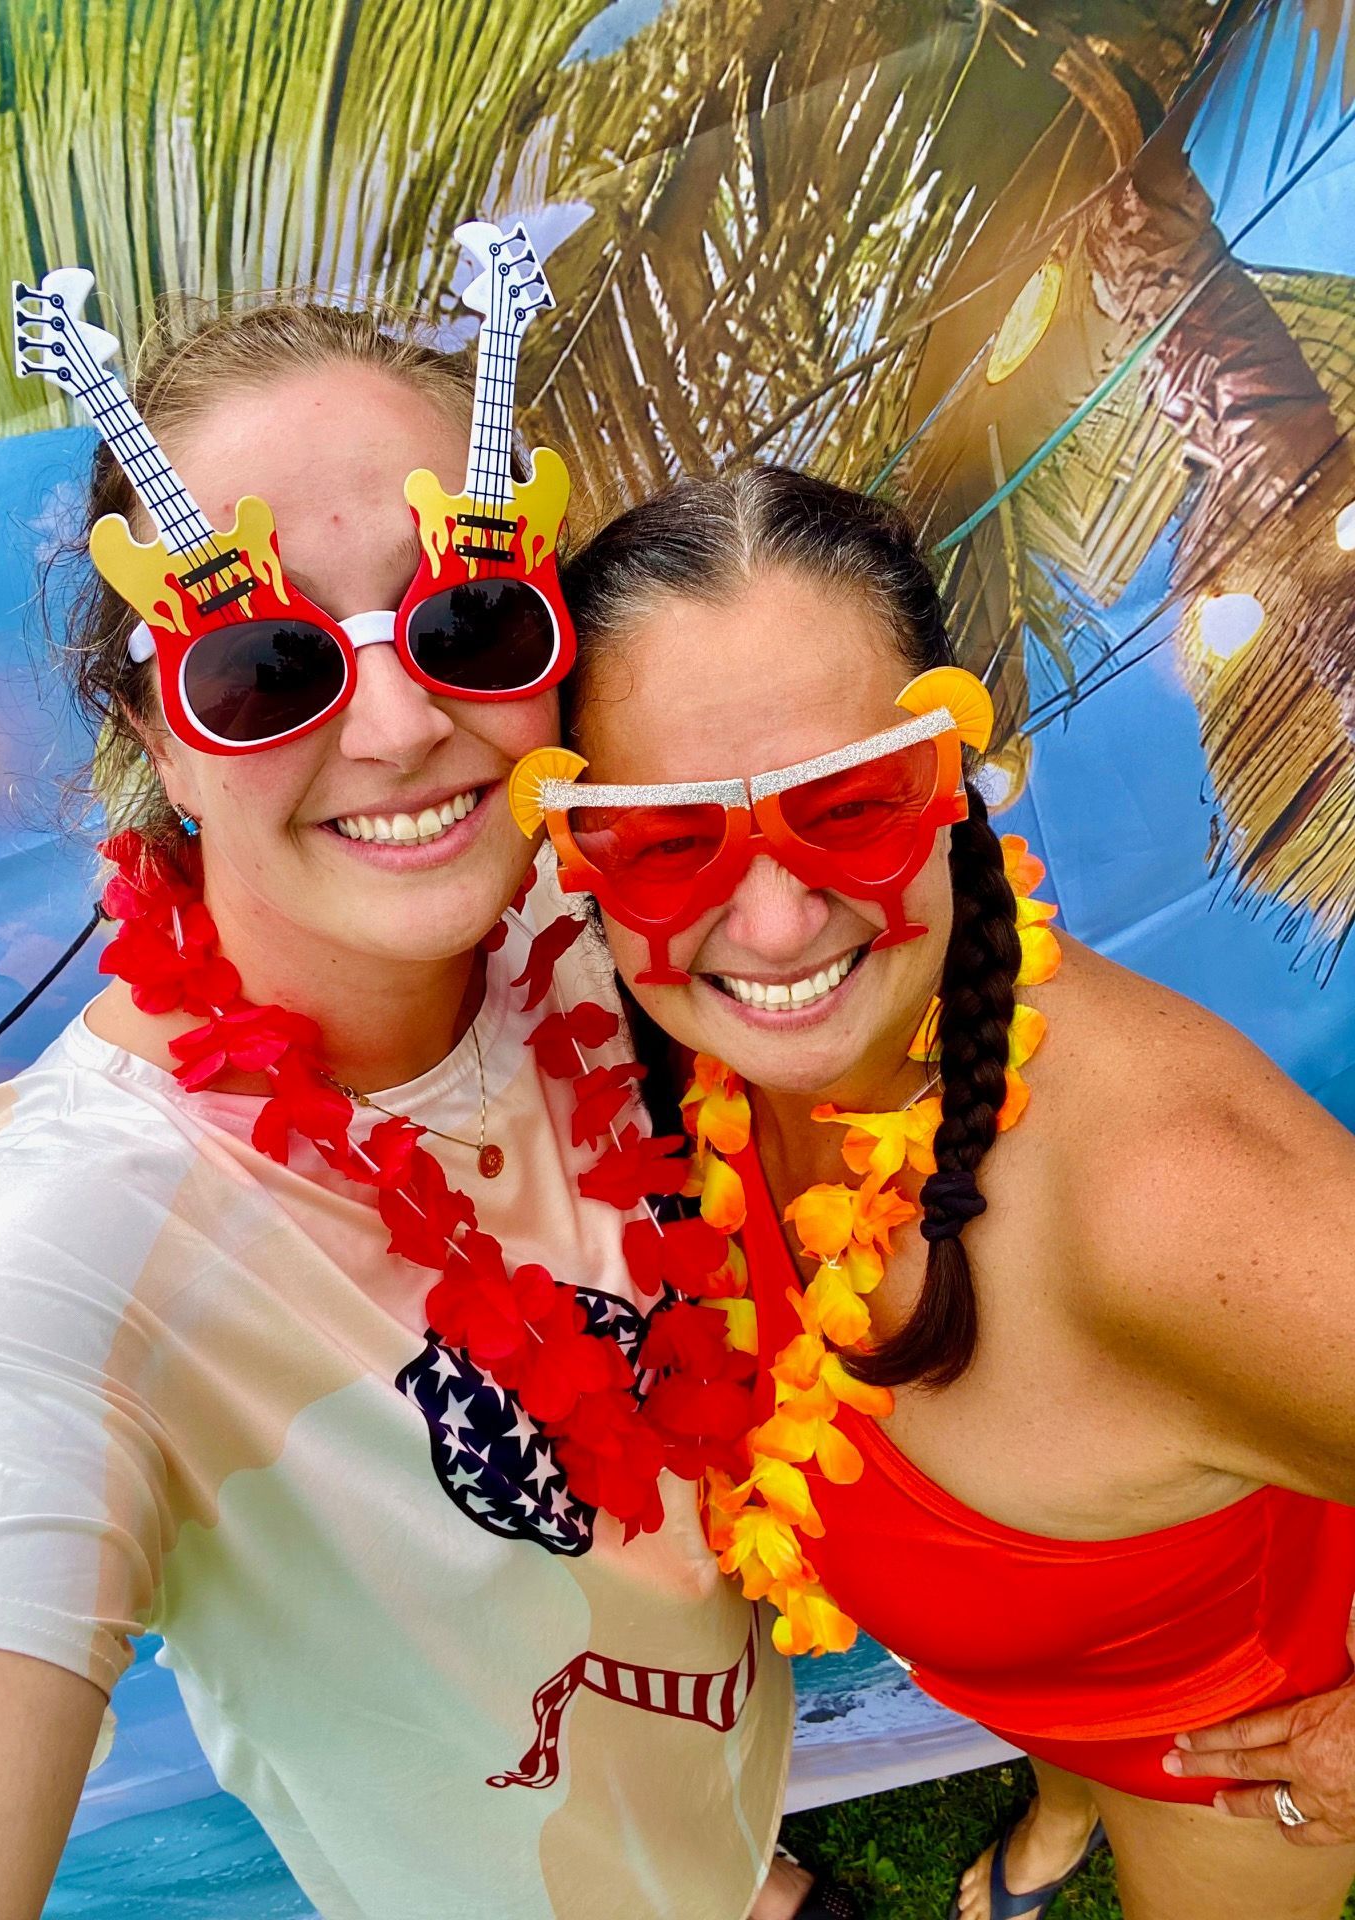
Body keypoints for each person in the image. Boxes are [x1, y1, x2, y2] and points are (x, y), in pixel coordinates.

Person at [0, 297, 818, 1920]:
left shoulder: (650, 930)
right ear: (156, 748)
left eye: (469, 623)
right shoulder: (76, 1238)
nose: (402, 732)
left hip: (729, 1803)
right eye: (265, 672)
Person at [537, 463, 1355, 1920]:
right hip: (1045, 1663)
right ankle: (1055, 1807)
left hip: (1219, 1764)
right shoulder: (703, 1069)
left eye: (850, 806)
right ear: (577, 859)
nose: (776, 923)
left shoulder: (1179, 1210)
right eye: (670, 839)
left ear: (954, 777)